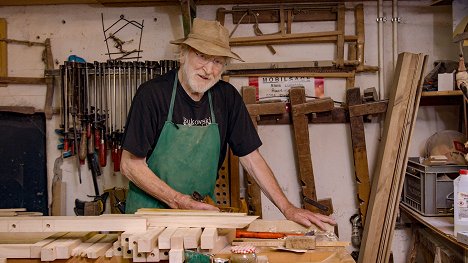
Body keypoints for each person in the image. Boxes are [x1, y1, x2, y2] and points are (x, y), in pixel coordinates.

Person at [120, 18, 336, 230]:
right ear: (183, 55)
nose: (208, 69)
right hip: (148, 219)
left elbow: (251, 158)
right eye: (202, 56)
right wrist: (178, 201)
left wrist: (288, 209)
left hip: (200, 218)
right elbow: (130, 165)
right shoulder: (152, 95)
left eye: (217, 61)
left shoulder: (227, 98)